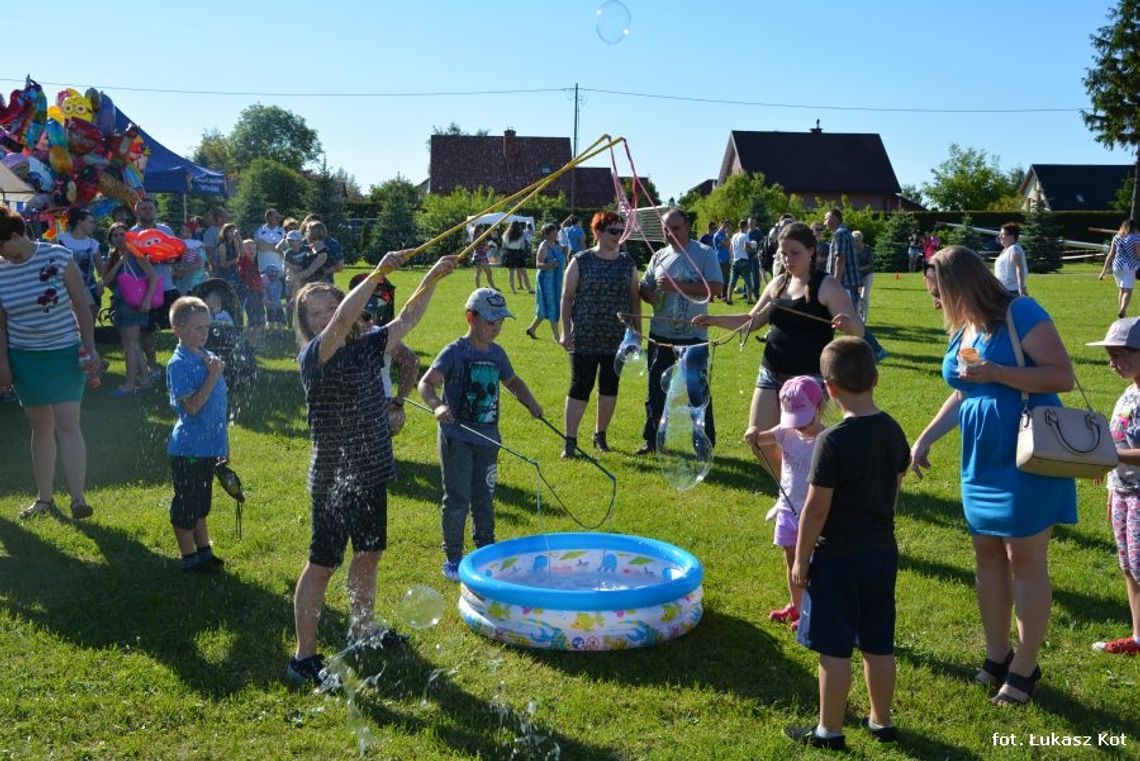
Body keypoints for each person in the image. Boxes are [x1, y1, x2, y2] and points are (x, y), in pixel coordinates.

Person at [911, 245, 1077, 706]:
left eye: (938, 293)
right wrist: (925, 438)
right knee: (986, 557)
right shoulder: (966, 327)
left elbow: (1062, 376)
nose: (935, 303)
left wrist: (997, 372)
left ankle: (1026, 665)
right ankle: (997, 653)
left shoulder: (1020, 311)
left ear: (961, 285)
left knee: (1025, 560)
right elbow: (966, 391)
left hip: (1027, 455)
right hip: (980, 459)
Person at [286, 251, 458, 687]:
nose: (327, 316)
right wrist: (380, 271)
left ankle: (363, 630)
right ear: (307, 323)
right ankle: (303, 657)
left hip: (371, 472)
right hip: (334, 478)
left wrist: (433, 277)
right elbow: (345, 320)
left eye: (331, 306)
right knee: (322, 564)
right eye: (317, 312)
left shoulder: (366, 345)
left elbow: (406, 320)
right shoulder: (314, 355)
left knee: (369, 553)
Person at [785, 337, 910, 750]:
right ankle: (882, 722)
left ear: (830, 389)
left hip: (837, 557)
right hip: (881, 552)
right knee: (879, 643)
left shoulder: (832, 441)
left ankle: (829, 731)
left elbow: (816, 508)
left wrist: (801, 559)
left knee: (834, 649)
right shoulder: (892, 430)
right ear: (875, 378)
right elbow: (894, 486)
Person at [694, 222, 862, 477]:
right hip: (770, 371)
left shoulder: (826, 286)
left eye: (794, 253)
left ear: (811, 251)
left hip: (809, 379)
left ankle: (812, 492)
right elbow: (751, 321)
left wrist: (847, 323)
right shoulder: (778, 284)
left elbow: (858, 331)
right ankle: (789, 491)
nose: (787, 259)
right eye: (783, 253)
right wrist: (714, 320)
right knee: (758, 440)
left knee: (801, 445)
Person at [419, 288, 543, 582]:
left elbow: (512, 381)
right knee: (458, 498)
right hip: (457, 438)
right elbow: (426, 383)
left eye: (500, 323)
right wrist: (437, 406)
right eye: (491, 322)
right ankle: (453, 557)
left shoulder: (498, 354)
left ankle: (485, 549)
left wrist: (532, 403)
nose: (496, 328)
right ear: (470, 318)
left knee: (484, 497)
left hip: (488, 439)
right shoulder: (455, 352)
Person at [0, 205, 100, 520]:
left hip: (64, 352)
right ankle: (44, 499)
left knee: (68, 423)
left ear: (15, 236)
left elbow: (82, 306)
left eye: (1, 246)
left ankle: (78, 499)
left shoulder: (56, 256)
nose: (2, 255)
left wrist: (90, 347)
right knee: (40, 426)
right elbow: (0, 324)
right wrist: (3, 363)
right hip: (25, 357)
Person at [638, 209, 722, 455]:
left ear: (687, 227)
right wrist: (647, 293)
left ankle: (704, 444)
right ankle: (652, 440)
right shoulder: (659, 256)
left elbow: (715, 287)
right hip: (660, 334)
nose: (670, 234)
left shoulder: (705, 254)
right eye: (666, 229)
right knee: (655, 389)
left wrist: (678, 286)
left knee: (697, 392)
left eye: (675, 228)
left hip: (693, 336)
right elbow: (646, 285)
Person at [559, 211, 641, 458]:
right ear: (598, 232)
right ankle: (570, 441)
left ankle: (600, 435)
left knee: (609, 387)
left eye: (621, 231)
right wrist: (565, 331)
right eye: (613, 231)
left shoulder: (627, 263)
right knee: (579, 386)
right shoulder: (581, 260)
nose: (618, 236)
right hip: (584, 336)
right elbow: (566, 297)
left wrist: (637, 335)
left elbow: (635, 299)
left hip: (616, 339)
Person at [747, 376, 826, 631]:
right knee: (791, 560)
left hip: (812, 514)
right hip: (786, 510)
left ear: (820, 407)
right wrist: (753, 434)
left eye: (805, 421)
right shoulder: (785, 432)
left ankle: (812, 611)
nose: (799, 428)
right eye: (794, 420)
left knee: (812, 565)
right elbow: (761, 438)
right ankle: (797, 604)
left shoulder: (826, 440)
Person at [1086, 318, 1140, 655]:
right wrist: (1109, 480)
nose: (1113, 363)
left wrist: (1110, 455)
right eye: (1110, 356)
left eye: (1120, 355)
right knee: (1128, 566)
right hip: (1122, 492)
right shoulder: (1130, 390)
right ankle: (1138, 636)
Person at [165, 296, 228, 573]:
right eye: (197, 328)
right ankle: (189, 557)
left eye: (207, 327)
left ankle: (204, 551)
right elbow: (191, 407)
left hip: (209, 446)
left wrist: (222, 445)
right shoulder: (178, 364)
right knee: (186, 505)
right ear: (178, 329)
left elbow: (218, 409)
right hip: (188, 449)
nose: (205, 334)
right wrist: (212, 376)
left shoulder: (206, 356)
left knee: (201, 504)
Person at [100, 222, 159, 396]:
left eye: (121, 234)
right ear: (110, 239)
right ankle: (145, 380)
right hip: (123, 302)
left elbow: (153, 277)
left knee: (129, 345)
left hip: (133, 303)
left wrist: (147, 300)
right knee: (134, 344)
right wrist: (119, 262)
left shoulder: (136, 253)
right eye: (115, 235)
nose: (119, 238)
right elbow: (106, 279)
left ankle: (130, 384)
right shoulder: (115, 255)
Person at [132, 199, 178, 381]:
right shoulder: (132, 233)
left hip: (167, 287)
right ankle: (153, 366)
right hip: (145, 290)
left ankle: (182, 362)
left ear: (155, 210)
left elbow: (177, 253)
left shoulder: (166, 230)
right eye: (143, 208)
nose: (147, 211)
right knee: (147, 330)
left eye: (150, 208)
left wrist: (167, 259)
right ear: (137, 211)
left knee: (180, 324)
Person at [57, 208, 103, 323]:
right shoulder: (61, 239)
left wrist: (101, 283)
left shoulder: (93, 244)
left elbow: (101, 269)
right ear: (79, 222)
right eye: (90, 222)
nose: (93, 225)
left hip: (89, 288)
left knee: (88, 322)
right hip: (64, 288)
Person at [525, 222, 565, 341]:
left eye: (556, 231)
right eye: (554, 232)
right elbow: (538, 264)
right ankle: (556, 336)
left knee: (546, 306)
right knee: (553, 305)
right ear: (547, 234)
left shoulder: (556, 245)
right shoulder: (544, 246)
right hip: (546, 280)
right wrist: (550, 264)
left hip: (556, 280)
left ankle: (532, 329)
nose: (556, 233)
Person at [1099, 219, 1139, 319]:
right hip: (1130, 266)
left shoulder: (1117, 237)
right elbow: (1139, 255)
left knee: (1121, 289)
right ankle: (1123, 310)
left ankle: (1121, 310)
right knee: (1128, 291)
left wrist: (1103, 271)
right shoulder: (1135, 239)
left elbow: (1111, 254)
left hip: (1116, 266)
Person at [237, 239, 266, 350]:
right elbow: (241, 250)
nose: (252, 250)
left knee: (259, 322)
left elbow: (258, 282)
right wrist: (237, 237)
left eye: (254, 248)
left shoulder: (254, 264)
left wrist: (263, 294)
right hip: (249, 294)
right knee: (255, 322)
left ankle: (249, 345)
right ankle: (248, 345)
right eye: (248, 248)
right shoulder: (244, 261)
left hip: (257, 294)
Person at [994, 222, 1028, 298]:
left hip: (1012, 291)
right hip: (1002, 289)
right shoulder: (1005, 250)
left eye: (1003, 234)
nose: (1000, 237)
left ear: (1012, 237)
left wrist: (1021, 287)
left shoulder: (1014, 249)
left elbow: (1019, 267)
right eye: (1000, 234)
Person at [728, 217, 754, 305]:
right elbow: (747, 247)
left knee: (732, 281)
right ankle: (750, 300)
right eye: (747, 226)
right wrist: (753, 250)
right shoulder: (744, 236)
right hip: (743, 260)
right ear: (745, 226)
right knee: (748, 281)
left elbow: (731, 248)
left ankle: (729, 299)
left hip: (735, 260)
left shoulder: (734, 235)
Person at [502, 220, 532, 294]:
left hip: (509, 253)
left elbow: (504, 245)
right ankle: (529, 288)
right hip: (518, 253)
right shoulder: (520, 234)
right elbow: (522, 246)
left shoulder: (506, 234)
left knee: (511, 273)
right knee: (524, 272)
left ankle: (513, 290)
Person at [853, 230, 875, 324]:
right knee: (857, 297)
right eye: (853, 240)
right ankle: (858, 317)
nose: (855, 242)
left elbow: (871, 264)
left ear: (861, 239)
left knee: (864, 296)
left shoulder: (867, 249)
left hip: (867, 274)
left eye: (857, 239)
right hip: (856, 275)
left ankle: (864, 318)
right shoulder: (851, 249)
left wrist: (859, 268)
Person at [471, 225, 499, 291]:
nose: (483, 230)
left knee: (479, 272)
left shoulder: (476, 235)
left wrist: (487, 247)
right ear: (480, 229)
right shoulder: (480, 235)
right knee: (488, 272)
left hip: (479, 255)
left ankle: (478, 288)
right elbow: (479, 246)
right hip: (481, 255)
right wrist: (487, 247)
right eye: (482, 228)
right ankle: (493, 287)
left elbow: (479, 246)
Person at [712, 220, 732, 300]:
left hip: (725, 258)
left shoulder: (723, 235)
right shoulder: (718, 235)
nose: (728, 229)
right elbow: (727, 244)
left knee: (726, 278)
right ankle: (722, 295)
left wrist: (727, 238)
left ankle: (721, 294)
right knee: (724, 278)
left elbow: (728, 245)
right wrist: (728, 235)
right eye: (727, 226)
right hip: (721, 259)